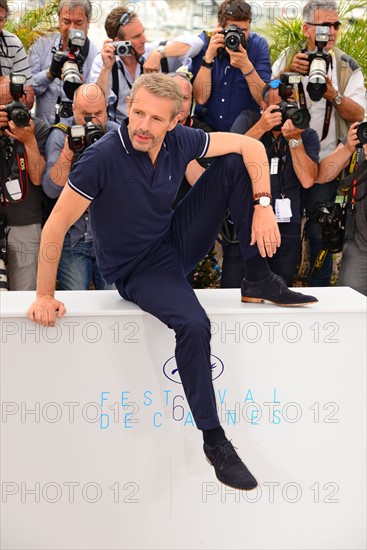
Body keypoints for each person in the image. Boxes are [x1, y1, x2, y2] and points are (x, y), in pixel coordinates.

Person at [28, 73, 317, 491]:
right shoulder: (102, 157)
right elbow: (55, 227)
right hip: (137, 269)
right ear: (128, 108)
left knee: (235, 162)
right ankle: (214, 440)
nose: (143, 125)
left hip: (173, 242)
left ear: (174, 121)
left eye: (156, 118)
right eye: (138, 113)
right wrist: (43, 295)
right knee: (195, 324)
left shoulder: (181, 141)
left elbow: (251, 145)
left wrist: (263, 205)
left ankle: (257, 279)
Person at [272, 0, 366, 286]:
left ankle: (319, 295)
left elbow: (359, 114)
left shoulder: (347, 65)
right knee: (281, 230)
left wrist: (333, 95)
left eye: (335, 25)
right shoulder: (290, 56)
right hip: (288, 159)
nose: (332, 31)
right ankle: (276, 288)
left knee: (320, 231)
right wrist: (286, 73)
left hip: (326, 162)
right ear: (306, 29)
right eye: (325, 25)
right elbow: (268, 98)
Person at [226, 78, 320, 287]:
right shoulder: (248, 120)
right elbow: (228, 159)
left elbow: (307, 180)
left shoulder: (306, 134)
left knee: (279, 292)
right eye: (279, 106)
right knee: (234, 291)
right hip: (247, 222)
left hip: (286, 227)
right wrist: (261, 127)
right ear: (264, 106)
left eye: (290, 105)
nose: (285, 111)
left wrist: (295, 140)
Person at [42, 82, 118, 290]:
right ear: (73, 110)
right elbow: (50, 189)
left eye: (98, 114)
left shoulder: (116, 134)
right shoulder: (61, 134)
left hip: (110, 238)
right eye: (85, 114)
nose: (93, 121)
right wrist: (68, 152)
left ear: (107, 110)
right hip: (73, 237)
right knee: (75, 305)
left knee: (116, 304)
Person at [90, 6, 204, 124]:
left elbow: (197, 43)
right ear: (118, 41)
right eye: (137, 36)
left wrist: (159, 53)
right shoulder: (103, 61)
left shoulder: (155, 50)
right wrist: (106, 68)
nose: (144, 39)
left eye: (142, 33)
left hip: (158, 129)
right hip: (121, 129)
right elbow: (98, 103)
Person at [191, 0, 271, 132]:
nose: (238, 36)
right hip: (208, 130)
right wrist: (208, 59)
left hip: (244, 133)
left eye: (244, 30)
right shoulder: (205, 43)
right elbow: (200, 99)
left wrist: (247, 67)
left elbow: (264, 100)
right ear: (220, 28)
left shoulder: (258, 46)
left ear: (250, 27)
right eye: (233, 30)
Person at [0, 75, 49, 290]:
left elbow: (38, 178)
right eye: (3, 104)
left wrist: (29, 141)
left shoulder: (39, 129)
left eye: (15, 102)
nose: (11, 108)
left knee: (25, 293)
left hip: (25, 221)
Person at [28, 0, 99, 125]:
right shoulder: (42, 45)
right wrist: (49, 74)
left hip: (76, 131)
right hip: (43, 128)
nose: (71, 28)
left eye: (78, 22)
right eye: (66, 21)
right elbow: (28, 91)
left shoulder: (96, 56)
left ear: (88, 22)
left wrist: (81, 90)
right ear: (59, 19)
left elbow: (98, 104)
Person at [318, 122, 367, 296]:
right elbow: (322, 176)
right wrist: (347, 149)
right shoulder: (360, 137)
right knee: (350, 304)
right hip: (359, 247)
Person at [0, 0, 34, 109]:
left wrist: (19, 98)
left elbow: (29, 99)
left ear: (5, 19)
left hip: (9, 115)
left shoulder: (13, 43)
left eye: (0, 20)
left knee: (42, 126)